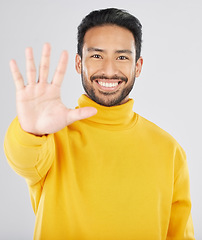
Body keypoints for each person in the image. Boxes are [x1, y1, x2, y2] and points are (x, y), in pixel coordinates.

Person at [4, 8, 195, 240]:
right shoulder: (51, 137)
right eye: (96, 56)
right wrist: (30, 130)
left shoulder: (170, 150)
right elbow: (23, 159)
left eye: (122, 57)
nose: (109, 70)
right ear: (78, 63)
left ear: (138, 66)